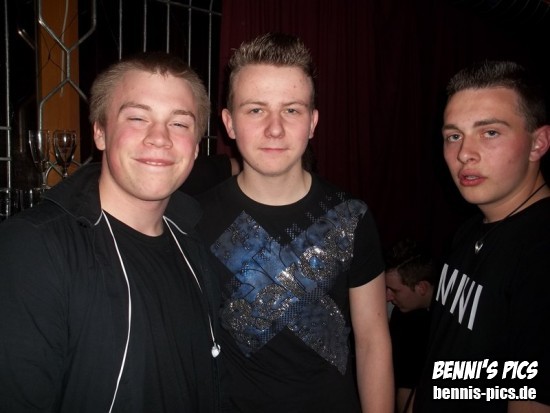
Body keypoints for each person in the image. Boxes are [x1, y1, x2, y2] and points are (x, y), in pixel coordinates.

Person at [0, 52, 221, 412]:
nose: (160, 138)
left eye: (180, 123)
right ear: (100, 132)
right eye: (137, 118)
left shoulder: (194, 240)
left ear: (196, 146)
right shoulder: (34, 249)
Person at [195, 32, 393, 412]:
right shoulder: (195, 219)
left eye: (291, 110)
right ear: (229, 123)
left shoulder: (351, 216)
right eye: (256, 110)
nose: (275, 128)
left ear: (313, 122)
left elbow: (372, 341)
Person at [413, 60, 550, 412]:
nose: (464, 154)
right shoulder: (469, 230)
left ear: (537, 143)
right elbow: (439, 356)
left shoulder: (541, 252)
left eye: (489, 133)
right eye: (453, 136)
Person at [384, 239, 436, 413]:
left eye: (394, 290)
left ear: (422, 287)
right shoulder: (404, 314)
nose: (388, 296)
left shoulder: (449, 321)